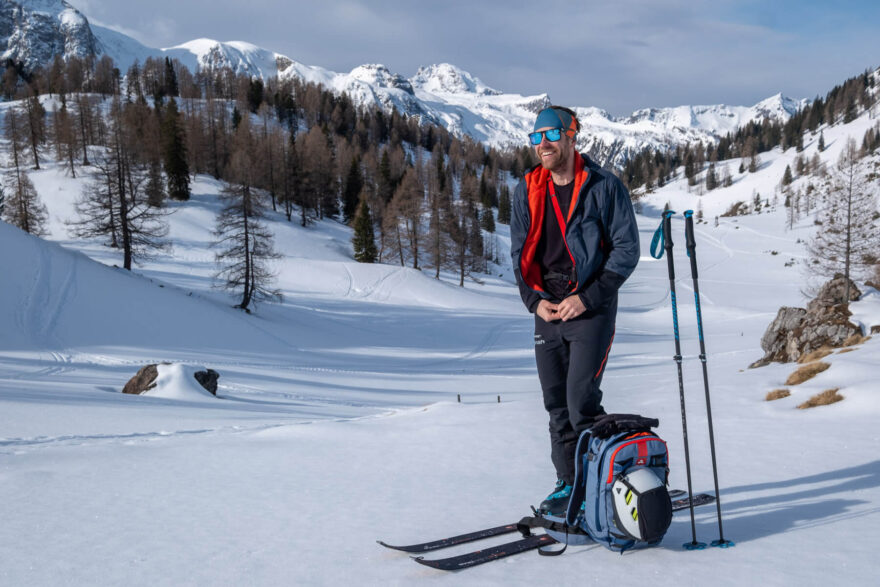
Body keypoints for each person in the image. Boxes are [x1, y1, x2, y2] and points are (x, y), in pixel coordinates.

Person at [510, 106, 640, 515]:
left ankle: (598, 488)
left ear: (571, 136)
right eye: (535, 137)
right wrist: (536, 301)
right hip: (547, 309)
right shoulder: (526, 188)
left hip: (590, 309)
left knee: (580, 403)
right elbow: (518, 254)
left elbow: (626, 250)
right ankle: (568, 486)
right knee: (555, 406)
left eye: (550, 134)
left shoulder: (604, 186)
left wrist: (586, 298)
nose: (542, 144)